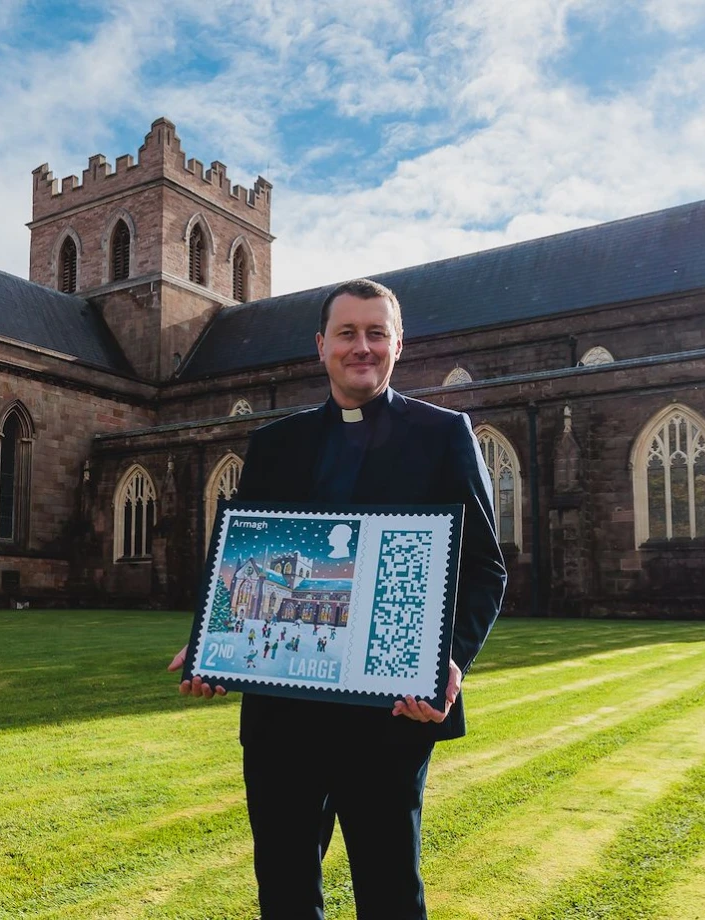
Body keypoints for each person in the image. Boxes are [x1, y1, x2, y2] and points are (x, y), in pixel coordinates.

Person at [169, 278, 508, 920]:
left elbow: (486, 569)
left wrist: (449, 659)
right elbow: (255, 557)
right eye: (347, 333)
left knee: (388, 894)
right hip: (282, 716)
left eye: (376, 333)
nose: (362, 347)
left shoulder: (444, 434)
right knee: (285, 892)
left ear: (398, 344)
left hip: (390, 708)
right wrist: (215, 640)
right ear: (321, 346)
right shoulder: (275, 443)